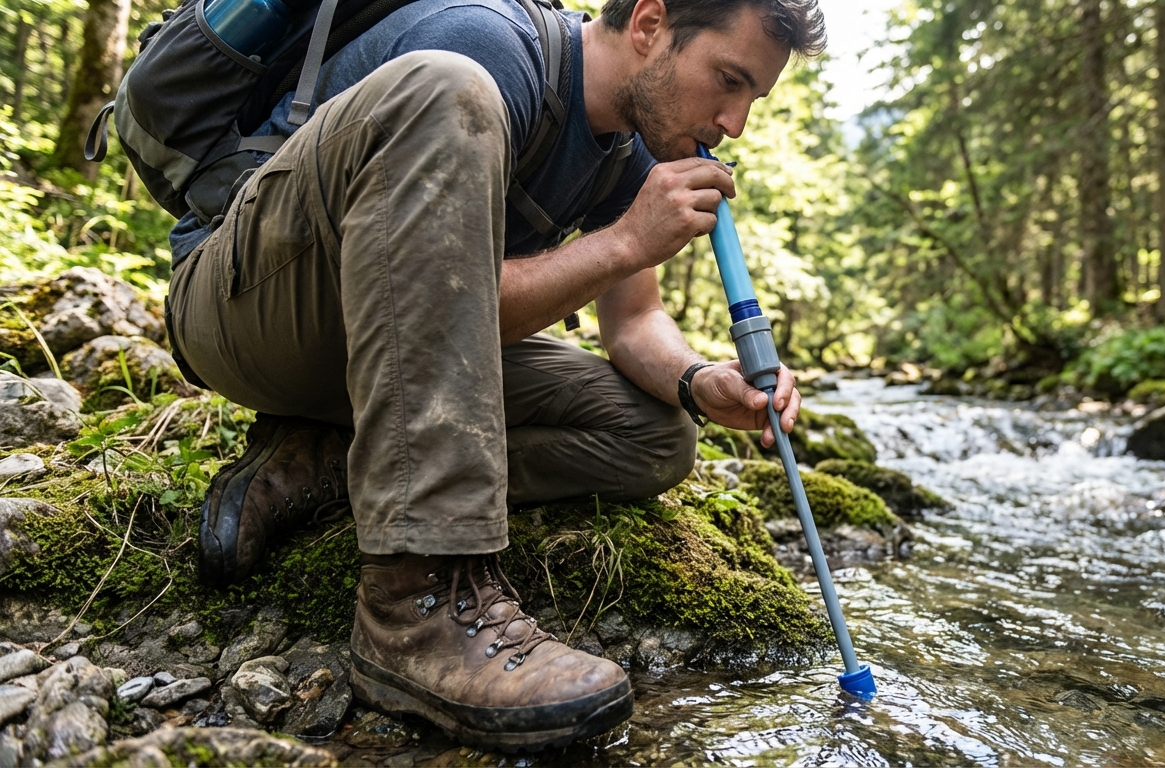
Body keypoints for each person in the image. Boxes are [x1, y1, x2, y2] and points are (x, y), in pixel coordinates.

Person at [164, 0, 824, 752]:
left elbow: (634, 325)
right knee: (448, 86)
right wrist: (625, 242)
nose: (735, 121)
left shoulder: (630, 153)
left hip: (389, 344)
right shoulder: (484, 50)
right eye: (728, 80)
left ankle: (328, 463)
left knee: (652, 436)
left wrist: (700, 379)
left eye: (752, 99)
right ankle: (416, 604)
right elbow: (409, 276)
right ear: (648, 23)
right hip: (248, 308)